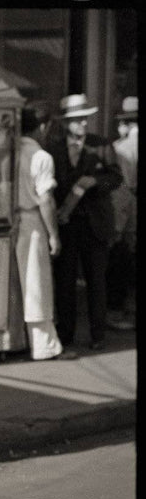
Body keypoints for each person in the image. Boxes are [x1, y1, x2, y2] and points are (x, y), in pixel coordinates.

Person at [47, 94, 123, 352]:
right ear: (66, 123)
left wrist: (96, 182)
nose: (82, 124)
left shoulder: (101, 145)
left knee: (96, 281)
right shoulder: (53, 148)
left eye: (84, 119)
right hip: (66, 224)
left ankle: (97, 334)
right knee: (65, 281)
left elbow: (116, 178)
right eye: (76, 120)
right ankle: (66, 334)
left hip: (95, 224)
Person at [14, 103, 74, 361]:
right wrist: (54, 235)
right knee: (37, 284)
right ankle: (44, 346)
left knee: (19, 284)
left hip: (12, 221)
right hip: (32, 223)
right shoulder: (41, 157)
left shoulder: (11, 150)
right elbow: (46, 200)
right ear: (43, 126)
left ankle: (19, 340)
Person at [107, 96, 137, 331]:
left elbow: (120, 186)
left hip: (126, 201)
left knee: (120, 254)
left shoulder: (121, 148)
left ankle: (117, 310)